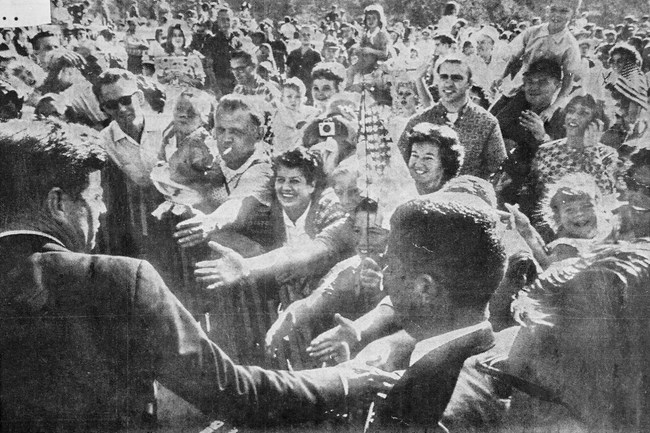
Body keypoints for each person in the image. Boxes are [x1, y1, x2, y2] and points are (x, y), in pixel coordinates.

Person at [0, 119, 396, 431]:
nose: (102, 211)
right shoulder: (119, 280)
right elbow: (236, 393)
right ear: (56, 203)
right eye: (95, 197)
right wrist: (343, 380)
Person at [367, 196, 507, 429]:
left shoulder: (417, 411)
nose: (384, 277)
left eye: (390, 266)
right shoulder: (502, 360)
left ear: (425, 288)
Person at [397, 54, 507, 180]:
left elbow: (499, 171)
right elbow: (398, 166)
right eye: (444, 77)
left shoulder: (486, 123)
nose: (448, 83)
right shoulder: (418, 121)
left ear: (469, 84)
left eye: (456, 78)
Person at [491, 58, 566, 211]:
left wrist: (542, 137)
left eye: (543, 82)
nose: (534, 87)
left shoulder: (562, 117)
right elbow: (488, 127)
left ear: (557, 86)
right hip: (501, 184)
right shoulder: (511, 106)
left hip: (535, 195)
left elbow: (564, 161)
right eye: (530, 81)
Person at [494, 0, 582, 120]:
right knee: (491, 115)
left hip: (540, 98)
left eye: (564, 11)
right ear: (547, 9)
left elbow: (568, 84)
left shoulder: (570, 45)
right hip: (517, 88)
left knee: (506, 125)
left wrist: (551, 109)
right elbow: (513, 58)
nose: (556, 15)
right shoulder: (532, 32)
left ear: (574, 15)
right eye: (553, 9)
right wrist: (501, 76)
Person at [405, 122, 464, 195]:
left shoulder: (452, 196)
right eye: (415, 155)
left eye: (428, 158)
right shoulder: (400, 193)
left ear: (445, 163)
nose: (418, 164)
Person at [286, 24, 322, 104]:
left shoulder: (315, 55)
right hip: (294, 90)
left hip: (308, 90)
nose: (306, 37)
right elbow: (288, 72)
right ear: (299, 37)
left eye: (308, 35)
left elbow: (318, 75)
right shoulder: (293, 54)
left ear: (312, 37)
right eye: (303, 35)